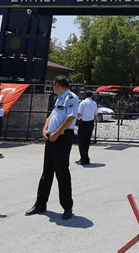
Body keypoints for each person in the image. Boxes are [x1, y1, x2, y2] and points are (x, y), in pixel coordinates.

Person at [25, 75, 79, 220]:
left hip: (61, 139)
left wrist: (56, 133)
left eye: (53, 85)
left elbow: (70, 118)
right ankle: (41, 203)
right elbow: (52, 116)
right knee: (46, 173)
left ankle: (67, 207)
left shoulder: (71, 98)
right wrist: (45, 128)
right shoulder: (59, 98)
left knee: (62, 174)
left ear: (57, 85)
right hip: (51, 138)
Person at [76, 91, 98, 165]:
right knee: (87, 142)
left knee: (81, 142)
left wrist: (78, 119)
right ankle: (84, 157)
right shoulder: (94, 103)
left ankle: (84, 159)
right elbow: (96, 115)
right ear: (91, 96)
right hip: (91, 123)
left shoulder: (83, 103)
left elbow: (79, 114)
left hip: (83, 124)